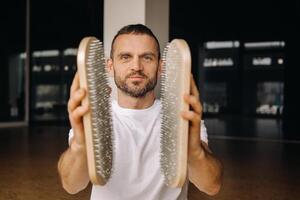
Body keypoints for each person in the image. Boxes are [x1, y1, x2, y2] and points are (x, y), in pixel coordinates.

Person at [57, 24, 223, 200]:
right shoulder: (94, 117)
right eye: (125, 57)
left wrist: (194, 151)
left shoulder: (181, 117)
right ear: (110, 66)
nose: (136, 66)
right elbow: (71, 185)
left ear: (160, 67)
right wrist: (80, 146)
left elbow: (212, 185)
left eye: (147, 58)